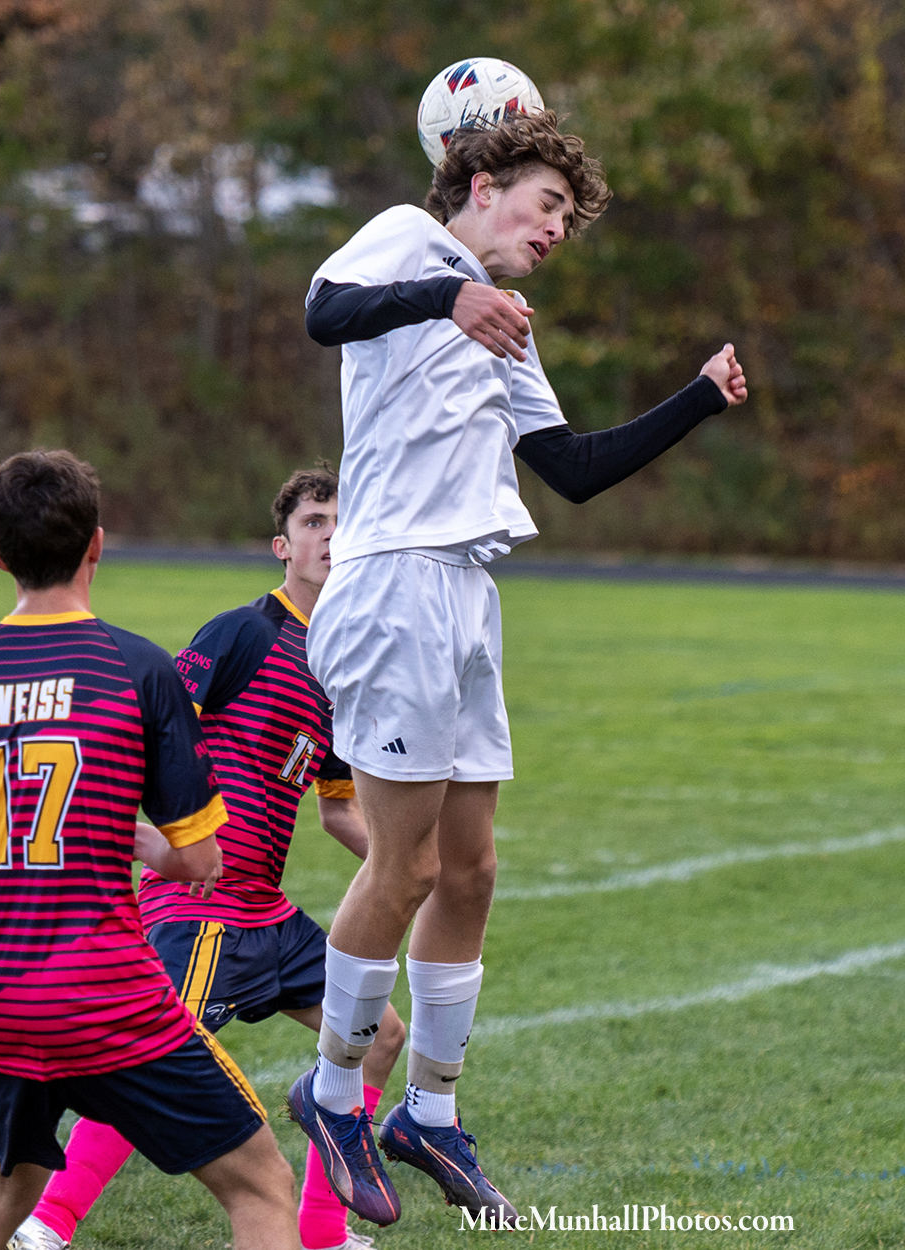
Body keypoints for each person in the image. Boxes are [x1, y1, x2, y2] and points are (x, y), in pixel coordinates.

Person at [288, 109, 749, 1226]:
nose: (554, 230)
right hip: (393, 585)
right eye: (547, 205)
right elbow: (322, 310)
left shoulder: (507, 321)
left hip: (466, 594)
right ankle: (333, 1094)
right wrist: (447, 296)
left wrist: (697, 396)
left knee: (472, 870)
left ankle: (429, 1113)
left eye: (566, 221)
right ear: (484, 185)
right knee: (401, 866)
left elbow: (572, 468)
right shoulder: (409, 238)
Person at [0, 450, 300, 1250]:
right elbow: (202, 861)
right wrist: (142, 843)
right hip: (107, 998)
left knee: (2, 1188)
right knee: (261, 1187)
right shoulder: (136, 669)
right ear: (97, 544)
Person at [6, 465, 406, 1250]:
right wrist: (139, 835)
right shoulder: (245, 632)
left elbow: (336, 809)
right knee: (152, 1052)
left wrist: (413, 863)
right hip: (198, 904)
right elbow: (149, 728)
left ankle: (322, 1231)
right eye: (314, 522)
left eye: (342, 523)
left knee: (379, 1033)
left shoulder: (341, 665)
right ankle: (46, 1222)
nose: (330, 536)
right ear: (281, 546)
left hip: (264, 911)